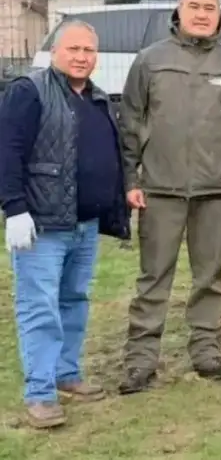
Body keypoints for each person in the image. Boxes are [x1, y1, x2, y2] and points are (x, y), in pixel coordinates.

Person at [117, 0, 221, 394]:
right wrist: (131, 179)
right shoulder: (149, 61)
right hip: (159, 190)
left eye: (210, 8)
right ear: (178, 10)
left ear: (220, 15)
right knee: (153, 278)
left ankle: (206, 352)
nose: (202, 15)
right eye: (195, 6)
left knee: (209, 277)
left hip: (215, 191)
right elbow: (130, 124)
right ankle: (140, 362)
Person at [0, 21, 130, 429]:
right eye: (73, 49)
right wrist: (14, 208)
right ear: (55, 52)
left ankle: (66, 374)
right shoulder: (30, 90)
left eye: (89, 50)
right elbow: (8, 149)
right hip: (42, 224)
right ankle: (40, 393)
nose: (81, 57)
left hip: (84, 224)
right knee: (39, 307)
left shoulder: (96, 97)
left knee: (74, 301)